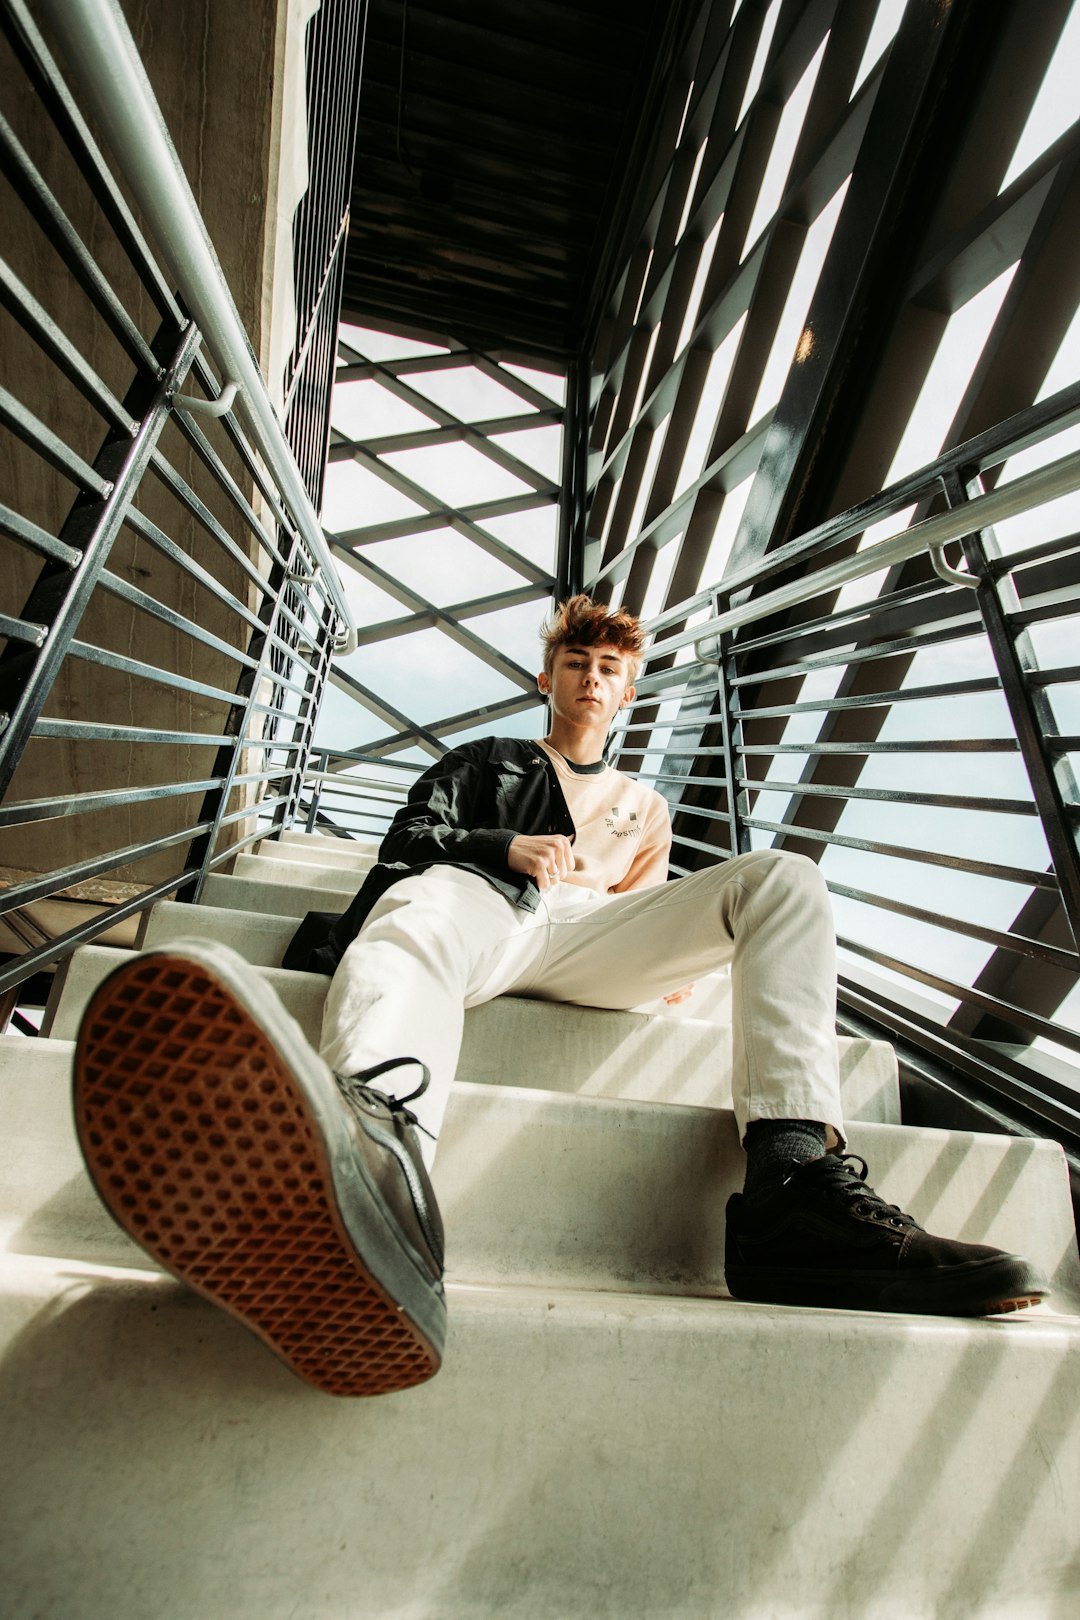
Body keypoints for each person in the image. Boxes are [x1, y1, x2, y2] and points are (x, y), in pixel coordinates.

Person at [72, 596, 1049, 1398]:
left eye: (610, 670)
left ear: (626, 693)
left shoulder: (645, 807)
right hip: (486, 900)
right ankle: (376, 1162)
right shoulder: (487, 764)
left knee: (782, 880)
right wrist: (502, 846)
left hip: (590, 934)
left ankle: (794, 1187)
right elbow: (404, 847)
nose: (593, 678)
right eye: (577, 662)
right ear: (550, 677)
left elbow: (653, 907)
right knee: (412, 913)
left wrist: (672, 966)